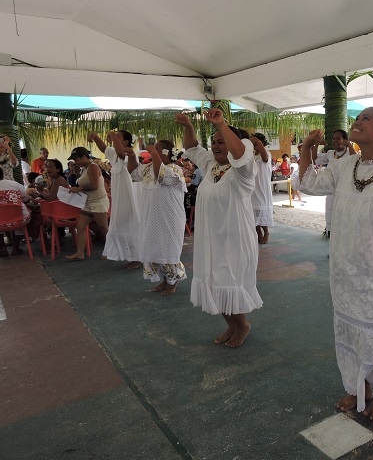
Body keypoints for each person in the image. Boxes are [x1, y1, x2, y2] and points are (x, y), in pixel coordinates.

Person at [296, 107, 373, 420]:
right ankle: (359, 386)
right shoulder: (345, 165)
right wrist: (307, 148)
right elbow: (309, 184)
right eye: (357, 118)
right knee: (350, 330)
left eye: (365, 119)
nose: (357, 122)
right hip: (346, 268)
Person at [177, 109, 262, 348]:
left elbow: (241, 153)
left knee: (228, 282)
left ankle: (242, 325)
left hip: (235, 239)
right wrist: (189, 127)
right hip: (211, 238)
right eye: (213, 141)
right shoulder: (211, 165)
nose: (215, 145)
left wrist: (221, 125)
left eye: (221, 141)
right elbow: (191, 148)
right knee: (214, 283)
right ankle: (231, 326)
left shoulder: (243, 171)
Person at [126, 139, 186, 295]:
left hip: (170, 218)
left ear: (166, 153)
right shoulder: (148, 168)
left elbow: (161, 176)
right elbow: (133, 172)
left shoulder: (174, 169)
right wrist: (132, 155)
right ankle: (165, 280)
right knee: (156, 249)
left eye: (157, 148)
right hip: (152, 217)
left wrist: (152, 151)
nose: (153, 150)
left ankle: (172, 282)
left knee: (168, 249)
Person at [87, 130, 142, 269]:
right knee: (120, 223)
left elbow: (121, 153)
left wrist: (112, 134)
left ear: (126, 142)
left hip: (130, 196)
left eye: (118, 137)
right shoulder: (113, 153)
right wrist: (96, 137)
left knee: (132, 222)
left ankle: (138, 257)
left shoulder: (129, 154)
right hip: (119, 196)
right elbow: (104, 148)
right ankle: (124, 253)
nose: (114, 138)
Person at [65, 147, 110, 260]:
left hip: (98, 201)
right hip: (88, 202)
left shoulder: (93, 167)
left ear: (84, 157)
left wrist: (79, 189)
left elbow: (95, 186)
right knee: (80, 227)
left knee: (103, 228)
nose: (76, 162)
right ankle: (80, 253)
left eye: (77, 160)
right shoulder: (84, 169)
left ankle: (111, 250)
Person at [312, 129, 355, 238]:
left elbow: (356, 160)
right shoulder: (330, 154)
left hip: (346, 192)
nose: (335, 141)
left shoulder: (350, 153)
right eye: (334, 138)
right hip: (332, 193)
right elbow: (315, 159)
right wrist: (316, 144)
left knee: (344, 220)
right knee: (331, 218)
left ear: (345, 140)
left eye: (338, 138)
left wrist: (349, 145)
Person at [0, 164, 31, 256]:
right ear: (2, 174)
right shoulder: (14, 184)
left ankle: (2, 248)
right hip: (18, 220)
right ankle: (15, 248)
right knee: (24, 220)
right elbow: (26, 199)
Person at [249, 132, 274, 244]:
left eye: (256, 144)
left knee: (261, 211)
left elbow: (265, 159)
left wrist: (258, 143)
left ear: (262, 143)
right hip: (252, 187)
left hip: (262, 186)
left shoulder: (266, 153)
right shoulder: (252, 155)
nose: (254, 146)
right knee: (252, 212)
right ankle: (258, 233)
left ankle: (266, 232)